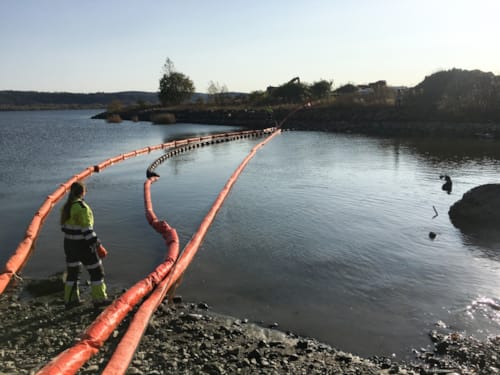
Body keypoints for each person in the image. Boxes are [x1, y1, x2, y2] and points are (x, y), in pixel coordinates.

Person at [60, 181, 109, 308]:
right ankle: (99, 300)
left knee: (73, 273)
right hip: (82, 246)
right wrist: (99, 246)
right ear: (83, 192)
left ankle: (70, 300)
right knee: (97, 272)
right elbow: (87, 232)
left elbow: (65, 228)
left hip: (69, 245)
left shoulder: (66, 207)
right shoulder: (82, 208)